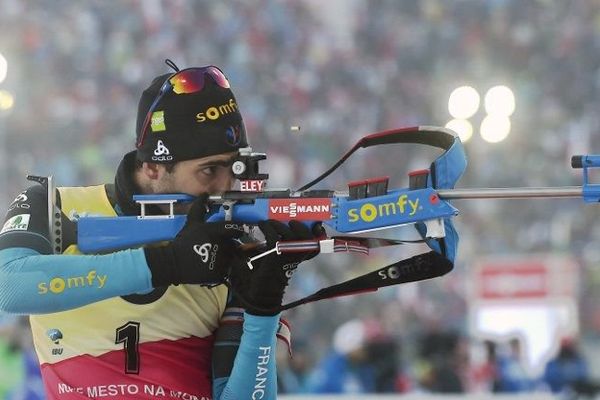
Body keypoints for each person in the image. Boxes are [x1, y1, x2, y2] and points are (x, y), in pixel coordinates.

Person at [0, 61, 321, 399]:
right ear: (152, 167)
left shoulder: (231, 246)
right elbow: (9, 287)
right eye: (209, 170)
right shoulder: (54, 206)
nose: (226, 186)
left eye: (236, 168)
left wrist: (263, 310)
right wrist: (167, 263)